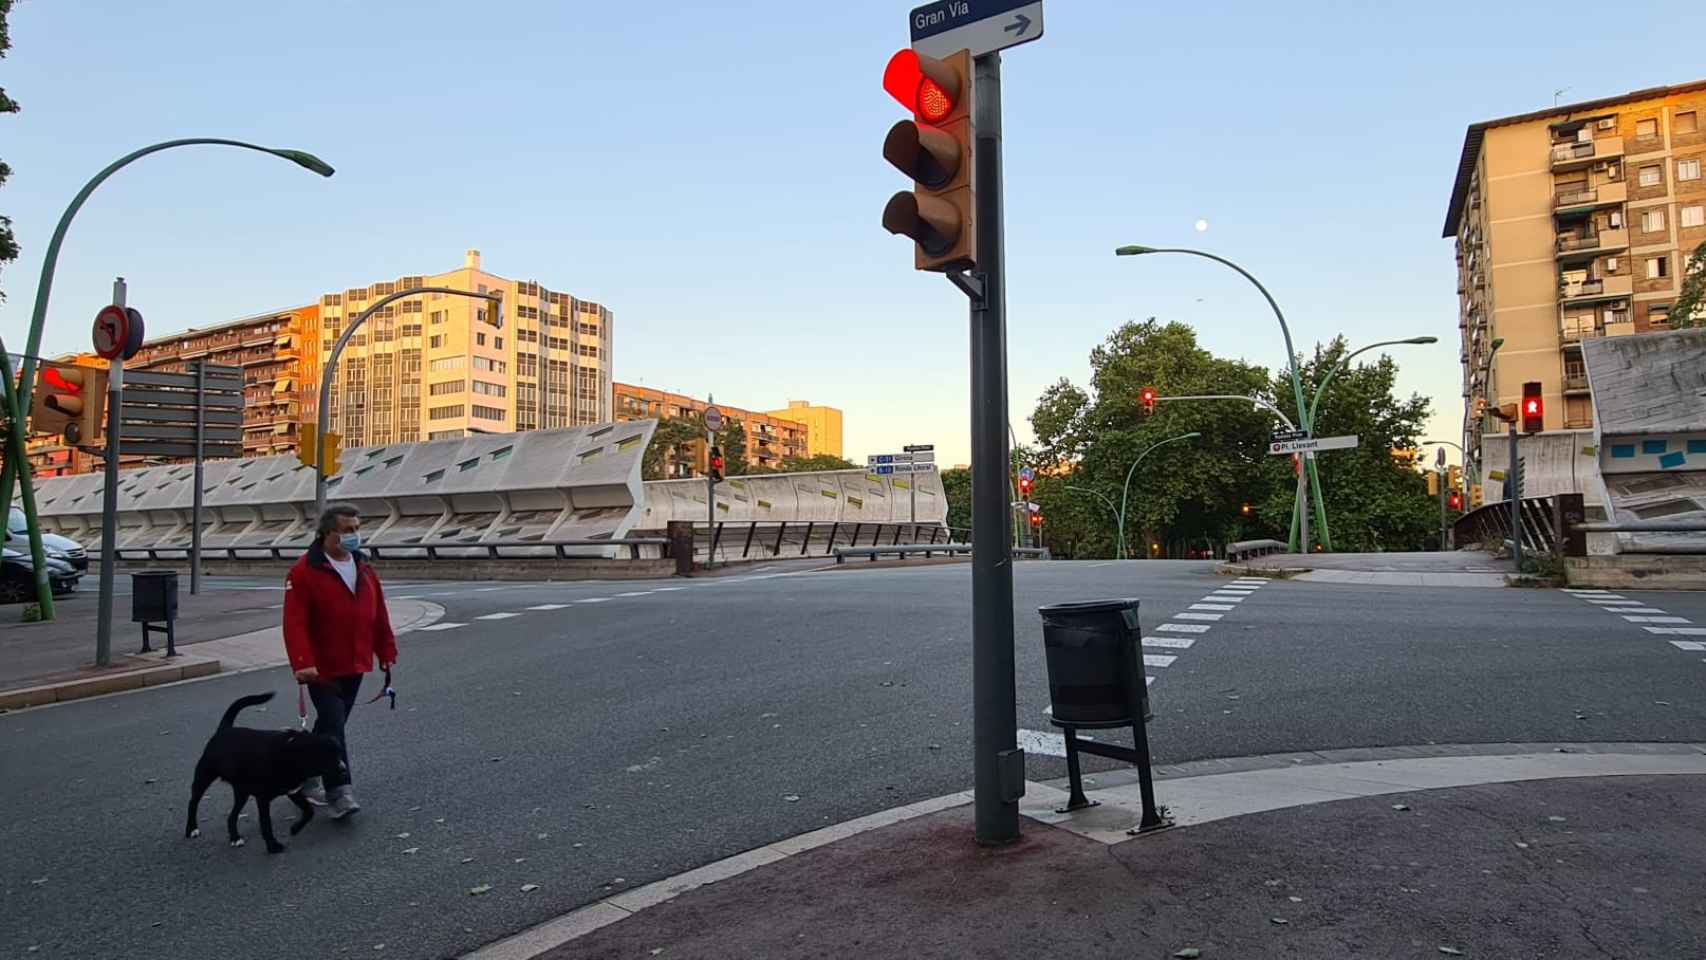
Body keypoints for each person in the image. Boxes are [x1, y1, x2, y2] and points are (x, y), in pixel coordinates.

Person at [283, 502, 396, 818]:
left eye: (357, 529)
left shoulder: (363, 567)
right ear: (327, 533)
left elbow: (378, 614)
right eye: (348, 530)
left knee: (333, 723)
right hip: (322, 666)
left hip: (356, 661)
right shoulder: (304, 571)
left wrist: (385, 652)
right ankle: (339, 790)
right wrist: (302, 662)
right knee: (334, 726)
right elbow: (295, 622)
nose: (355, 535)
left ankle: (302, 770)